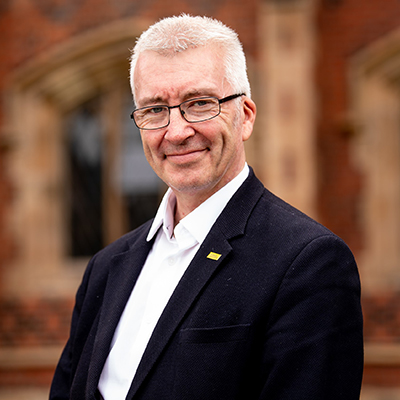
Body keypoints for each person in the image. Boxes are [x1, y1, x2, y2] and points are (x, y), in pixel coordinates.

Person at [50, 14, 363, 400]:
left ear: (245, 116)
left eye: (200, 104)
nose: (176, 132)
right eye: (154, 109)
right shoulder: (107, 266)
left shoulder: (308, 263)